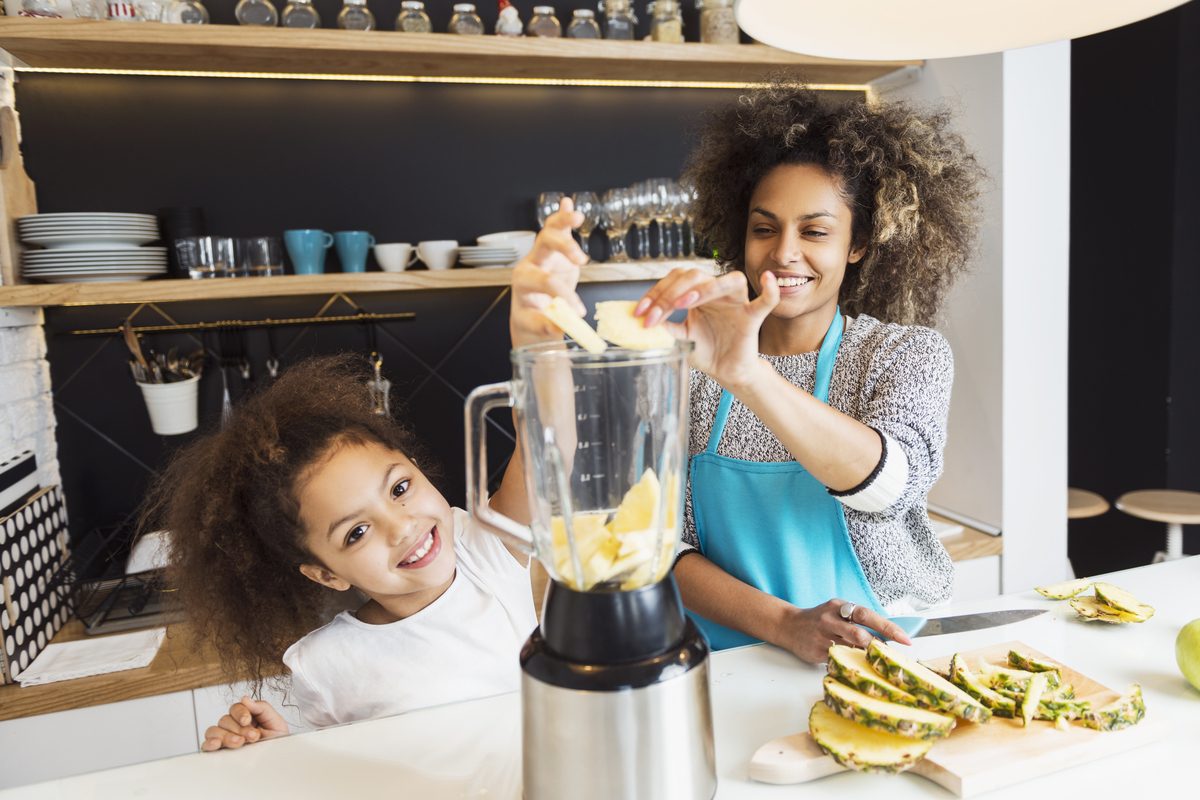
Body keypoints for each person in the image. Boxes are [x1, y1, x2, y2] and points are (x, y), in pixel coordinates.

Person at [146, 206, 592, 751]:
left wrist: (535, 336)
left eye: (399, 489)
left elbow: (550, 446)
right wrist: (272, 753)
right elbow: (339, 769)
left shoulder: (486, 551)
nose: (400, 527)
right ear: (326, 575)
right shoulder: (326, 665)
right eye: (355, 533)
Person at [632, 81, 985, 662]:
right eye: (764, 228)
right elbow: (662, 547)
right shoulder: (689, 368)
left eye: (815, 231)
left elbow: (890, 490)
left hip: (886, 651)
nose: (783, 254)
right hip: (731, 659)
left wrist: (746, 374)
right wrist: (786, 624)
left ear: (859, 243)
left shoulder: (903, 355)